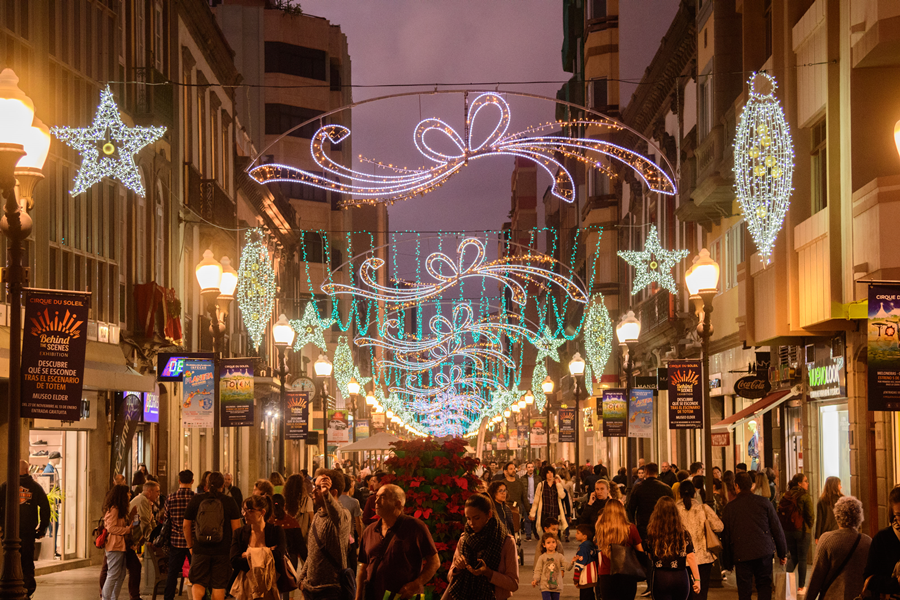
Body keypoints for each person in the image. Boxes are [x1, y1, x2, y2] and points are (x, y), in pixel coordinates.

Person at [356, 484, 440, 600]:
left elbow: (434, 562)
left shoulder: (415, 527)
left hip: (403, 596)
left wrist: (415, 585)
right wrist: (358, 596)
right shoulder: (370, 530)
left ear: (398, 503)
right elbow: (364, 568)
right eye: (377, 497)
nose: (376, 501)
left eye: (383, 497)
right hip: (374, 595)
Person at [721, 471, 787, 600]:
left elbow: (726, 536)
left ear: (736, 486)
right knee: (764, 585)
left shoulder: (730, 508)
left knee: (744, 589)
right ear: (751, 485)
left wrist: (727, 562)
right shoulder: (764, 502)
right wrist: (782, 552)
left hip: (741, 553)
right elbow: (777, 529)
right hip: (764, 550)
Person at [445, 493, 519, 600]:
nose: (471, 523)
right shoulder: (464, 539)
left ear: (489, 514)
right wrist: (457, 568)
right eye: (468, 518)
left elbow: (513, 584)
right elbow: (450, 576)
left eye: (476, 518)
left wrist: (489, 573)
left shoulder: (506, 541)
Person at [183, 471, 243, 600]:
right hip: (222, 551)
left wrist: (190, 546)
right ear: (223, 485)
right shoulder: (229, 501)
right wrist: (234, 549)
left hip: (200, 549)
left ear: (206, 484)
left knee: (198, 583)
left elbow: (186, 525)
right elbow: (237, 529)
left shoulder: (197, 500)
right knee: (219, 586)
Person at [0, 459, 50, 598]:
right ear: (28, 470)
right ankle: (27, 589)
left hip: (9, 534)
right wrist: (42, 528)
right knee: (27, 562)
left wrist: (2, 526)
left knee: (9, 561)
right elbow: (45, 508)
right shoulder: (35, 487)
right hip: (28, 532)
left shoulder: (6, 486)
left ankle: (9, 588)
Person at [805, 496, 871, 600]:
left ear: (837, 516)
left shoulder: (827, 540)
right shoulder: (867, 542)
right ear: (859, 517)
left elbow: (816, 577)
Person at [299, 469, 351, 599]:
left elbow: (336, 515)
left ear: (333, 492)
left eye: (318, 488)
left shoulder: (344, 516)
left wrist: (326, 494)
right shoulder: (317, 516)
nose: (313, 491)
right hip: (310, 590)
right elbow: (312, 551)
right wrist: (301, 579)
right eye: (315, 487)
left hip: (330, 590)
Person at [230, 495, 286, 600]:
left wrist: (249, 555)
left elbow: (278, 556)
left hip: (270, 583)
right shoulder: (239, 533)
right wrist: (267, 552)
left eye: (250, 511)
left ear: (262, 512)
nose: (245, 514)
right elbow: (234, 560)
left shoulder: (276, 531)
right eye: (244, 510)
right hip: (246, 586)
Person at [645, 497, 701, 600]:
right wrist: (697, 579)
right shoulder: (683, 533)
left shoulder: (652, 533)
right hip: (680, 576)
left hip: (661, 576)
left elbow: (649, 555)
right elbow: (691, 556)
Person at [675, 480, 722, 600]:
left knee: (683, 593)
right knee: (700, 592)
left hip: (681, 558)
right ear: (694, 493)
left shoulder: (674, 510)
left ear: (679, 494)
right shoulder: (703, 508)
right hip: (703, 558)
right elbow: (719, 526)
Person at [595, 499, 643, 600]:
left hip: (606, 574)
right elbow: (640, 551)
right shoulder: (631, 528)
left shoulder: (601, 528)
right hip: (627, 573)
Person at [160, 470, 195, 600]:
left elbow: (166, 519)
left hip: (176, 541)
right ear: (192, 481)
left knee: (172, 573)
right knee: (196, 572)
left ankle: (168, 597)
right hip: (192, 541)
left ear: (179, 481)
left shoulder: (170, 498)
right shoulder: (196, 498)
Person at [101, 485, 138, 600]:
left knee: (121, 575)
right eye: (127, 493)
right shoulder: (114, 509)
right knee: (113, 574)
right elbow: (111, 528)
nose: (130, 495)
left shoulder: (120, 509)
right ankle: (106, 598)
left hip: (119, 545)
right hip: (114, 545)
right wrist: (127, 529)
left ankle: (113, 597)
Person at [863, 485, 900, 596]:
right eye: (899, 514)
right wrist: (896, 583)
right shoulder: (883, 538)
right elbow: (869, 579)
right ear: (892, 513)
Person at [782, 472, 814, 594]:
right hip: (802, 531)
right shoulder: (804, 496)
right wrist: (808, 526)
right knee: (802, 558)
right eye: (805, 481)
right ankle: (801, 587)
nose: (807, 483)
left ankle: (787, 585)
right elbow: (810, 515)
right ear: (800, 483)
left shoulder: (787, 495)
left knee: (793, 557)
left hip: (788, 531)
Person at [626, 462, 675, 543]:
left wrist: (633, 526)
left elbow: (630, 508)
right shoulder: (666, 488)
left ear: (646, 472)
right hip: (662, 525)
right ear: (656, 472)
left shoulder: (638, 487)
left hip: (643, 525)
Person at [529, 466, 568, 536]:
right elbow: (536, 501)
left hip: (555, 513)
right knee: (546, 535)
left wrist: (558, 485)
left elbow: (562, 496)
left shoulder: (557, 485)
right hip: (545, 513)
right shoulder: (541, 485)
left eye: (551, 473)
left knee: (556, 535)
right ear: (545, 474)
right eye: (548, 473)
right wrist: (532, 514)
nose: (550, 475)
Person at [532, 532, 569, 599]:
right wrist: (536, 579)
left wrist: (572, 562)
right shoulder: (542, 557)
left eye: (553, 542)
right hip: (545, 585)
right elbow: (538, 570)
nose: (551, 544)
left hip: (556, 585)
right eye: (548, 543)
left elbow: (567, 566)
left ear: (556, 543)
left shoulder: (559, 556)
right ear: (544, 545)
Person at [339, 474, 363, 573]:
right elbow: (358, 523)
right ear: (350, 486)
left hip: (336, 537)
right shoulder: (354, 502)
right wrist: (360, 537)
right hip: (350, 538)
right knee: (352, 567)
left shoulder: (332, 500)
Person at [498, 462, 527, 532]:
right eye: (511, 469)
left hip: (517, 510)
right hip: (504, 510)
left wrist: (528, 512)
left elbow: (524, 498)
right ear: (506, 471)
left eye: (514, 468)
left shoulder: (520, 483)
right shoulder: (502, 483)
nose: (513, 470)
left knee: (516, 530)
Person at [572, 524, 598, 600]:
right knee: (590, 594)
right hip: (592, 575)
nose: (575, 534)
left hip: (585, 577)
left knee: (584, 596)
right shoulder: (591, 545)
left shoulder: (583, 547)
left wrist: (576, 579)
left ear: (584, 536)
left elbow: (580, 564)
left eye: (578, 533)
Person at [815, 476, 843, 543]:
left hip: (825, 534)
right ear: (835, 486)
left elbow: (819, 520)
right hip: (840, 533)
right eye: (839, 484)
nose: (841, 487)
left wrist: (817, 536)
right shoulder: (842, 500)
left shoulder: (822, 501)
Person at [522, 462, 537, 541]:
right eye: (529, 467)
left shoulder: (538, 478)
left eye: (531, 467)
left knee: (536, 518)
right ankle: (528, 535)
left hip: (535, 501)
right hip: (527, 501)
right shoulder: (523, 478)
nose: (530, 469)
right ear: (526, 469)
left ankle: (535, 532)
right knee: (527, 518)